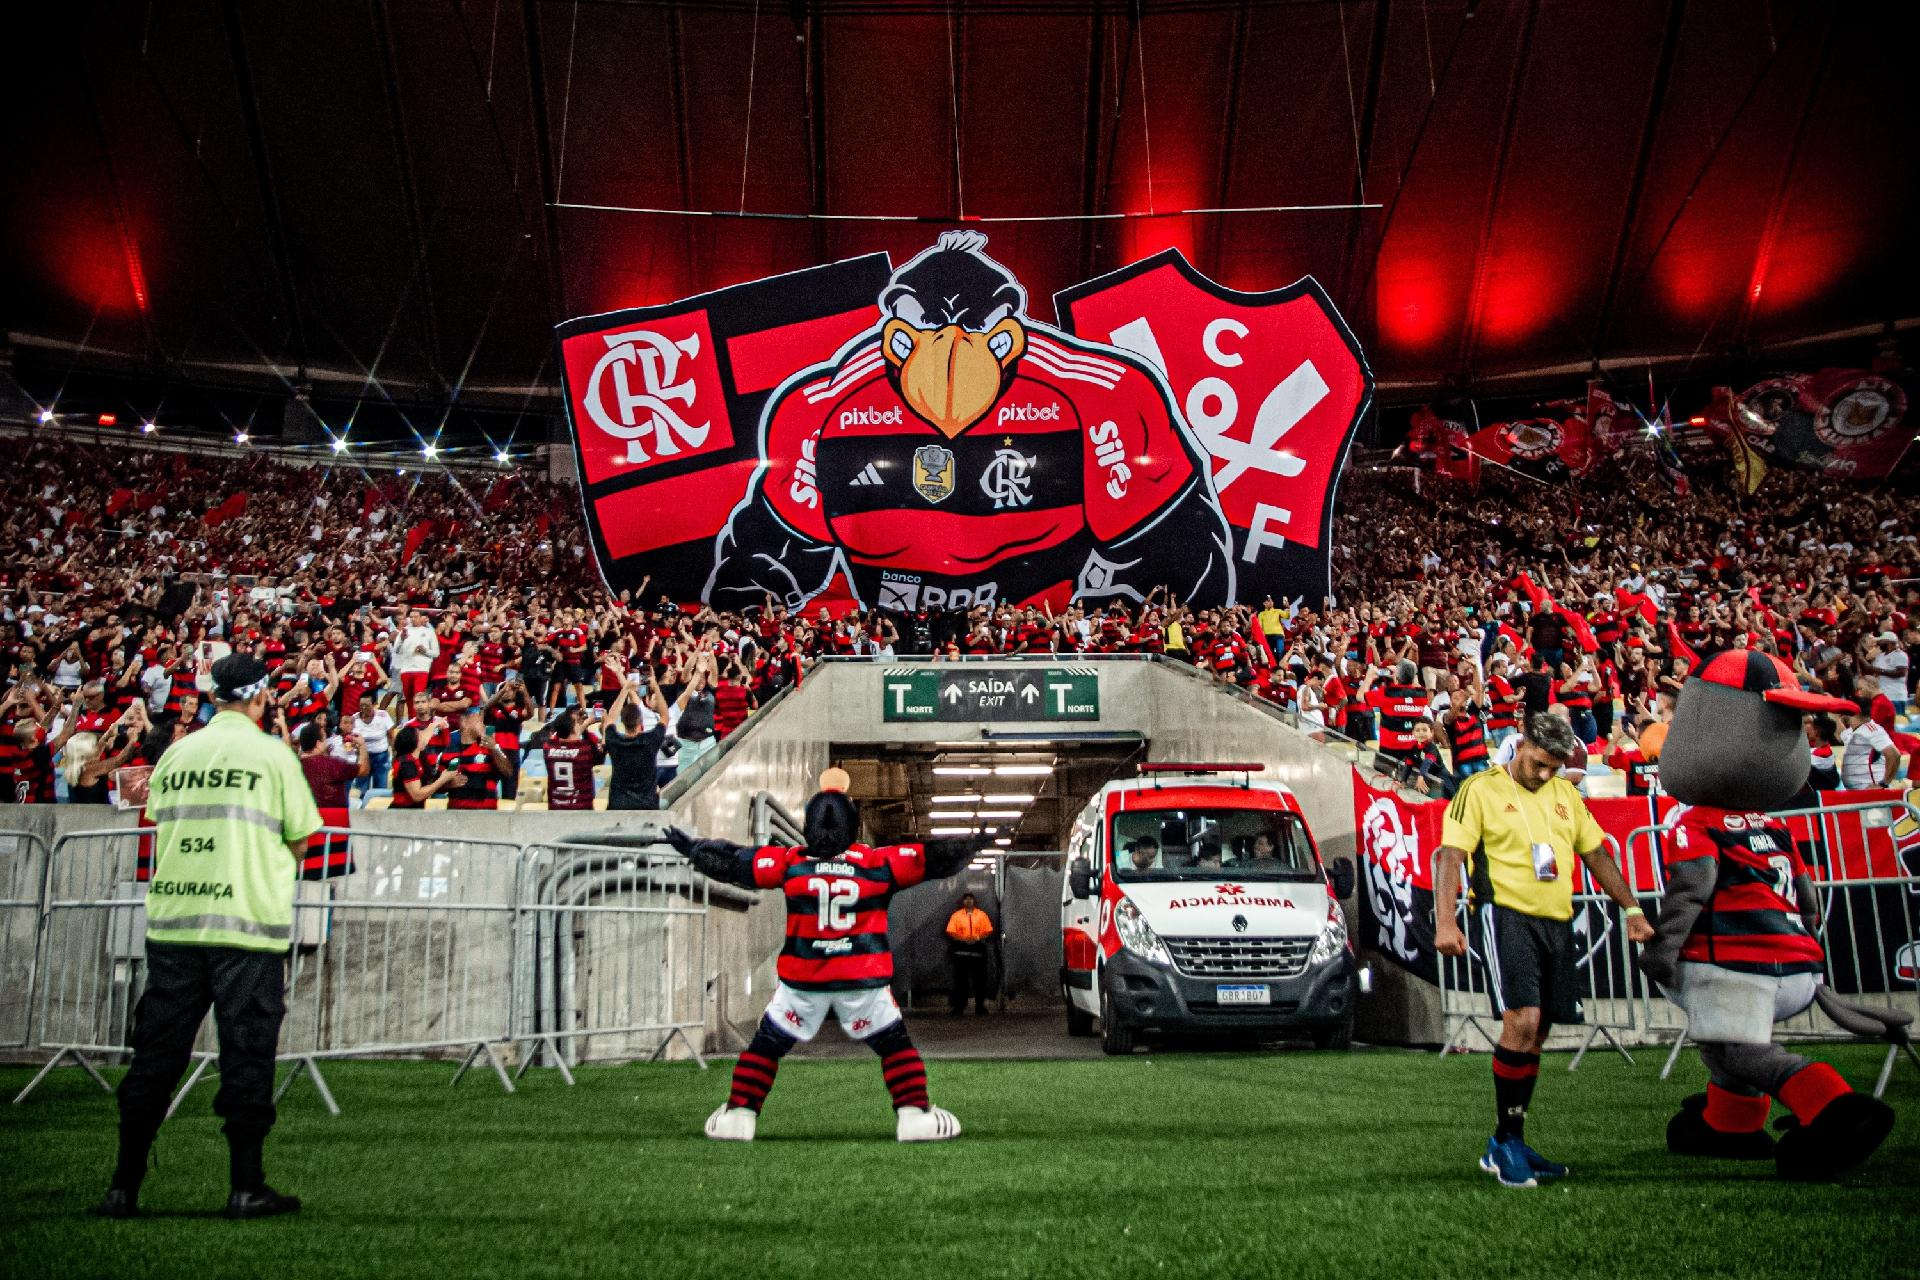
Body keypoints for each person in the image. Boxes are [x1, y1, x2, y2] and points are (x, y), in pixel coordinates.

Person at [92, 654, 323, 1220]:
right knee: (247, 1055)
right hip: (246, 927)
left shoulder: (176, 753)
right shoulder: (273, 756)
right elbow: (301, 840)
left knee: (155, 1057)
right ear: (263, 696)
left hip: (174, 923)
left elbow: (160, 823)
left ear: (212, 696)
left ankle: (123, 1185)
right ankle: (246, 1186)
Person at [663, 770, 972, 1142]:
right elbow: (935, 858)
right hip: (862, 977)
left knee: (767, 1045)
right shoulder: (877, 864)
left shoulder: (791, 863)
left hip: (803, 980)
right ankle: (914, 1115)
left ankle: (739, 1115)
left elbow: (734, 862)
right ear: (854, 827)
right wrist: (973, 843)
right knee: (894, 1045)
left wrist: (693, 849)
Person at [1431, 712, 1654, 1189]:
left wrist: (1632, 909)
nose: (1546, 774)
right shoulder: (1481, 789)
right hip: (1503, 913)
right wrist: (1446, 921)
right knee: (1522, 1020)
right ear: (1522, 744)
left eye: (1555, 766)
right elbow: (1450, 856)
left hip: (1556, 919)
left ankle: (1507, 1139)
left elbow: (1596, 854)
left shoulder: (1566, 795)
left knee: (1538, 1033)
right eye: (1539, 763)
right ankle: (1508, 1144)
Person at [602, 677, 669, 810]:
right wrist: (656, 687)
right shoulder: (650, 740)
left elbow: (610, 719)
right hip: (646, 805)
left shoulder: (614, 741)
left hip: (618, 804)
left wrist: (625, 689)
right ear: (640, 722)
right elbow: (665, 716)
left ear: (623, 722)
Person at [536, 710, 604, 812]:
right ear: (573, 729)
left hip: (556, 808)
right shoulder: (584, 749)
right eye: (577, 722)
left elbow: (559, 736)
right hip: (581, 808)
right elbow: (599, 755)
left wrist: (581, 725)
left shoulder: (548, 748)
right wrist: (586, 727)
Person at [944, 892, 995, 1017]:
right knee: (960, 981)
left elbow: (988, 931)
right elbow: (951, 931)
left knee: (980, 981)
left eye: (970, 898)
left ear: (974, 901)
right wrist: (963, 940)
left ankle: (979, 1007)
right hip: (961, 951)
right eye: (966, 899)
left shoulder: (982, 915)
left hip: (978, 950)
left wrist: (977, 938)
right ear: (963, 901)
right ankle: (959, 1008)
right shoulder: (956, 916)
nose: (968, 901)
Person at [387, 725, 461, 809]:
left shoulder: (420, 759)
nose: (424, 737)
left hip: (415, 811)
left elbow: (429, 786)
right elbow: (417, 796)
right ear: (414, 742)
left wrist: (447, 784)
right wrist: (442, 779)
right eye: (420, 735)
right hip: (402, 813)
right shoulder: (407, 765)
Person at [1839, 700, 1897, 790]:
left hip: (1871, 793)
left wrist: (1883, 784)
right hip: (1854, 792)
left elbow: (1894, 754)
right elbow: (1839, 731)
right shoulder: (1854, 731)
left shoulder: (1873, 730)